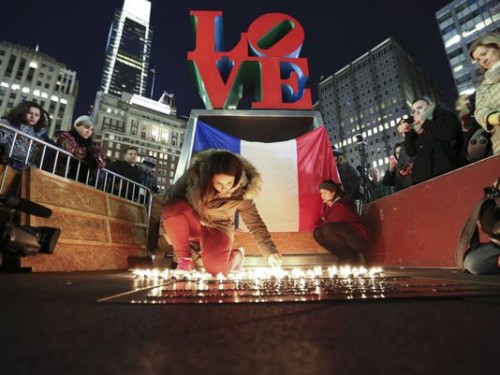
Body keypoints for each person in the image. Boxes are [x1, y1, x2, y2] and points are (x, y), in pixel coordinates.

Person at [162, 149, 282, 274]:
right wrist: (168, 230)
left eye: (229, 182)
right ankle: (185, 262)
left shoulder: (242, 191)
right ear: (209, 177)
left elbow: (255, 223)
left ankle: (238, 255)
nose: (224, 188)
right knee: (173, 207)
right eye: (219, 183)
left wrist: (270, 252)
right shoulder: (195, 177)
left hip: (218, 227)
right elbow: (170, 202)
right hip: (195, 220)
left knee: (217, 269)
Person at [397, 96, 462, 185]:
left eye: (420, 108)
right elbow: (411, 152)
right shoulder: (415, 127)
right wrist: (408, 132)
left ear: (430, 105)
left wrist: (425, 123)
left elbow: (448, 135)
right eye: (413, 111)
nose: (417, 112)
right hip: (422, 176)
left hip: (445, 170)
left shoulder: (445, 116)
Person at [313, 180, 371, 265]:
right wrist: (322, 221)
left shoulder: (341, 206)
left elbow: (328, 222)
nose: (322, 196)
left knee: (328, 229)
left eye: (325, 193)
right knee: (317, 233)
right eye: (321, 194)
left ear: (333, 193)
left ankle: (352, 258)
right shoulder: (328, 205)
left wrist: (323, 220)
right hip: (348, 236)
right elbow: (319, 223)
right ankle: (343, 257)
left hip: (360, 238)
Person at [469, 32, 500, 155]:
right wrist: (496, 117)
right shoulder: (483, 86)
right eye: (478, 59)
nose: (483, 60)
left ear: (497, 46)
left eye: (484, 53)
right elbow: (480, 111)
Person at [0, 101, 52, 170]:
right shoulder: (7, 123)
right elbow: (1, 140)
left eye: (37, 115)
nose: (33, 117)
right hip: (6, 162)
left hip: (26, 167)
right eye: (30, 113)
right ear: (22, 112)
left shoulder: (39, 135)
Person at [55, 115, 105, 183]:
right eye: (86, 127)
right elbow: (74, 151)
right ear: (77, 126)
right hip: (62, 176)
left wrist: (93, 152)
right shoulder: (66, 136)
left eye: (91, 130)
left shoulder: (92, 144)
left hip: (83, 181)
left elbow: (102, 163)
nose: (89, 131)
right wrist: (91, 151)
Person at [455, 93, 492, 164]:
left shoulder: (469, 115)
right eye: (465, 99)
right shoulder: (467, 117)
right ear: (458, 107)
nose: (468, 101)